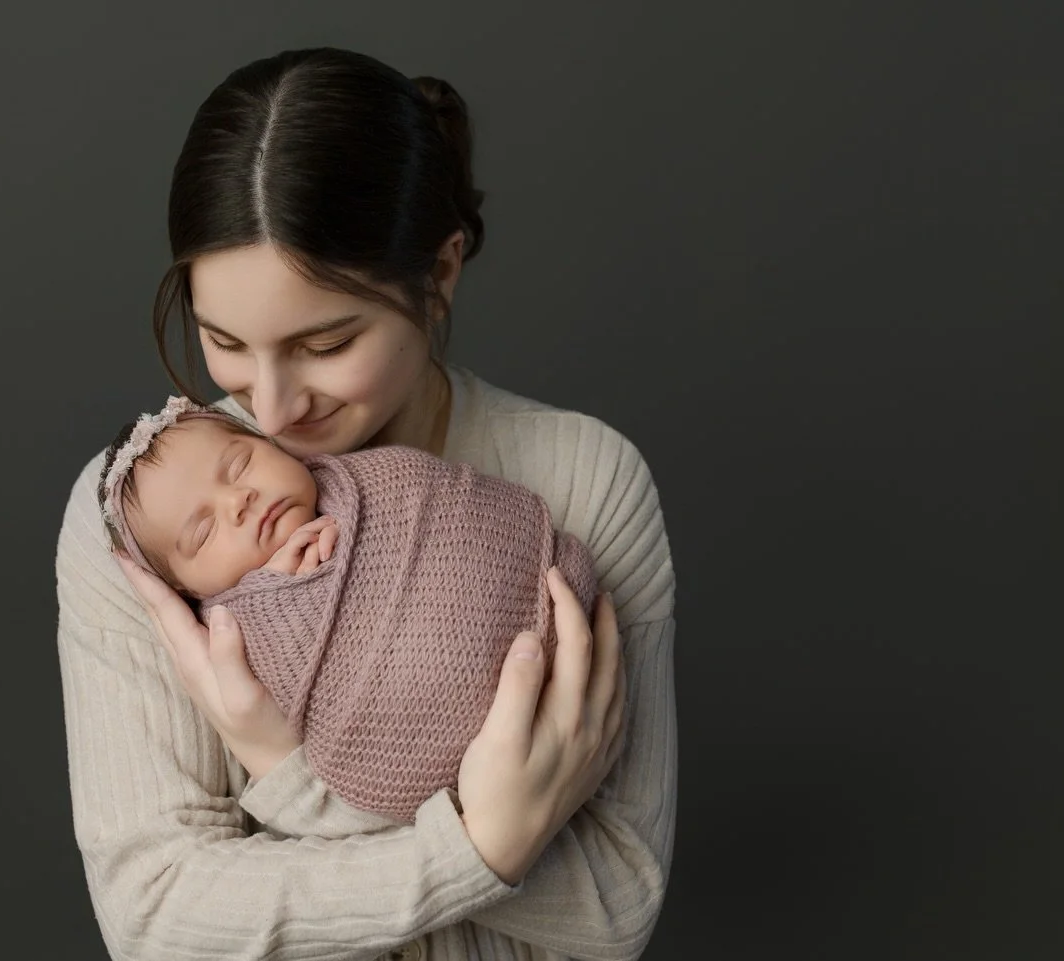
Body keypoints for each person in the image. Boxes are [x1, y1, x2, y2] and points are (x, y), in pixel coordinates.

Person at [55, 46, 677, 961]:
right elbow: (154, 917)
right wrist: (482, 844)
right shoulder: (146, 522)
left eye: (327, 342)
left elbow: (614, 902)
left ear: (441, 273)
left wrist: (288, 783)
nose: (271, 408)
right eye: (224, 340)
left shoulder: (581, 480)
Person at [95, 395, 598, 823]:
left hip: (547, 611)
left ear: (272, 443)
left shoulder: (381, 476)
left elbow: (453, 502)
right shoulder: (232, 638)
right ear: (187, 592)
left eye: (240, 464)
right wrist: (287, 598)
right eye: (203, 533)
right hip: (453, 765)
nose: (239, 501)